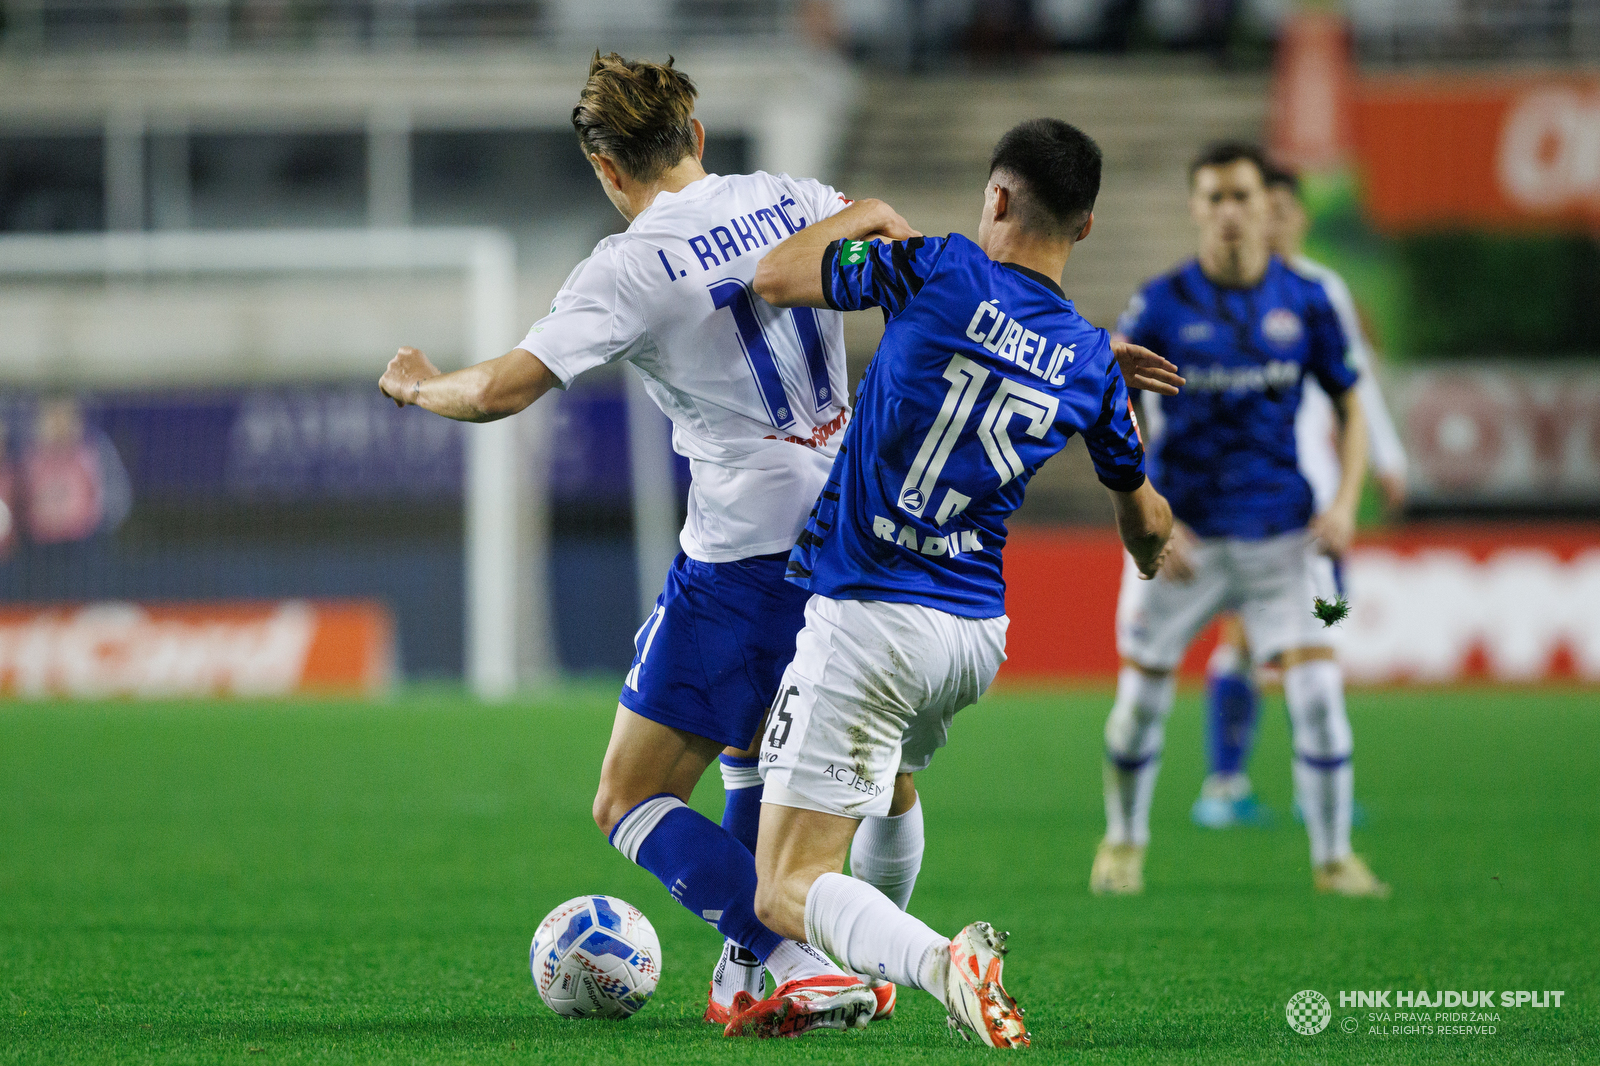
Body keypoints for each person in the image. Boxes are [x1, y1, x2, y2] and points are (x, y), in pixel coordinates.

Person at [380, 51, 919, 1035]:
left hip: (746, 556)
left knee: (628, 797)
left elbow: (501, 389)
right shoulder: (793, 195)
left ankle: (797, 955)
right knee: (751, 751)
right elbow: (898, 242)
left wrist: (419, 384)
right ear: (696, 135)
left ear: (604, 167)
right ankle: (754, 971)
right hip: (849, 528)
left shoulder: (628, 267)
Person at [734, 118, 1177, 1045]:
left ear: (999, 198)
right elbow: (1144, 517)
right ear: (1086, 228)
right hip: (973, 634)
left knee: (782, 887)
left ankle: (941, 963)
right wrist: (1143, 551)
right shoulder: (1096, 365)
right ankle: (866, 980)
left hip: (873, 613)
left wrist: (865, 214)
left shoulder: (935, 267)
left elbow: (770, 278)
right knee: (888, 781)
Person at [1094, 141, 1388, 898]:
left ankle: (1334, 859)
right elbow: (1108, 399)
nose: (1229, 212)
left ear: (1268, 207)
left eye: (1242, 197)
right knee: (1138, 707)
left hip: (1285, 539)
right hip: (1184, 542)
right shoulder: (1160, 302)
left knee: (1320, 695)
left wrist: (1346, 500)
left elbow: (1352, 403)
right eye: (1214, 198)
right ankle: (1124, 843)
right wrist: (1147, 504)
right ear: (1196, 208)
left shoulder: (1308, 300)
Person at [1190, 162, 1409, 830]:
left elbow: (1357, 383)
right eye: (1267, 209)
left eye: (1285, 209)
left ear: (1300, 218)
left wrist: (1387, 457)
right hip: (1251, 495)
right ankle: (1226, 785)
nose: (1275, 221)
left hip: (1314, 493)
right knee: (1252, 635)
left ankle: (1285, 785)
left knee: (1311, 629)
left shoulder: (1321, 289)